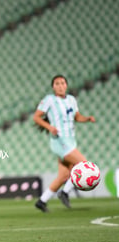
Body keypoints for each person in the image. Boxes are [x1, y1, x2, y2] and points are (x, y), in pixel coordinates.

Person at [33, 75, 96, 212]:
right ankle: (65, 192)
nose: (60, 86)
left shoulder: (71, 100)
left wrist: (87, 119)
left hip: (70, 141)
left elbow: (77, 117)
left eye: (62, 83)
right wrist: (49, 127)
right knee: (84, 164)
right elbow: (36, 117)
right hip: (59, 141)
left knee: (63, 176)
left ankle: (42, 201)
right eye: (57, 83)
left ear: (66, 85)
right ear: (53, 87)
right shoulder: (49, 100)